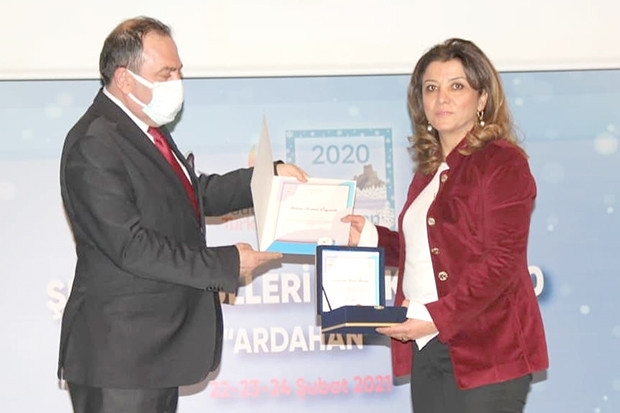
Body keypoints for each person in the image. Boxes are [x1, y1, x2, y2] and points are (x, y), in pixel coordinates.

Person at [57, 16, 307, 413]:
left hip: (152, 354)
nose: (177, 83)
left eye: (179, 71)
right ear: (124, 79)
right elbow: (131, 246)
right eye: (166, 73)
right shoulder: (95, 143)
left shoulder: (144, 130)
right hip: (120, 357)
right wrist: (226, 263)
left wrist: (265, 178)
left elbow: (191, 194)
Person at [342, 38, 548, 412]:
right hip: (428, 347)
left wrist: (435, 317)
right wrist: (372, 237)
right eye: (431, 88)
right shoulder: (428, 171)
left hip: (489, 353)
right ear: (420, 102)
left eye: (457, 86)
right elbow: (433, 249)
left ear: (482, 98)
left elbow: (503, 261)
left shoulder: (503, 163)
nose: (442, 98)